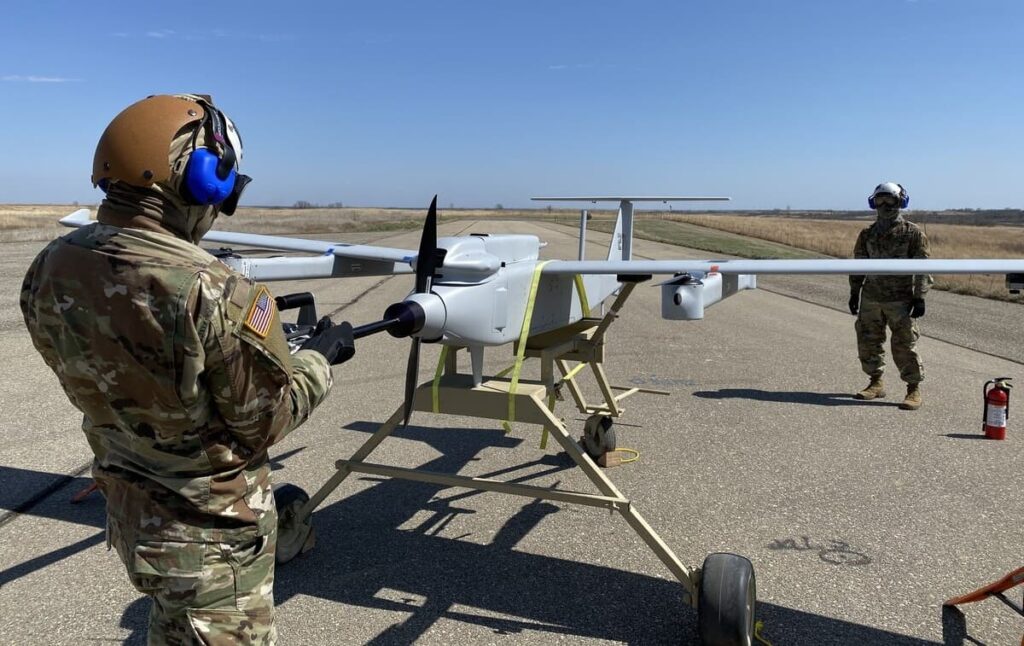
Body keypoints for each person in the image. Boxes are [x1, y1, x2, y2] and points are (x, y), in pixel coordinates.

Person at [21, 94, 355, 644]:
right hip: (211, 543)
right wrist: (320, 358)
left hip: (134, 517)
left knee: (173, 630)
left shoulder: (52, 264)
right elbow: (265, 421)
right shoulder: (215, 291)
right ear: (201, 180)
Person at [848, 182, 931, 410]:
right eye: (880, 200)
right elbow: (859, 264)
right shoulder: (867, 234)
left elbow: (923, 267)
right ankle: (875, 383)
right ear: (872, 202)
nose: (884, 205)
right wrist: (855, 292)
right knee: (868, 342)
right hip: (871, 298)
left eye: (890, 200)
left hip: (900, 300)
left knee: (904, 345)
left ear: (901, 202)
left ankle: (913, 389)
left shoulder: (912, 233)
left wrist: (919, 296)